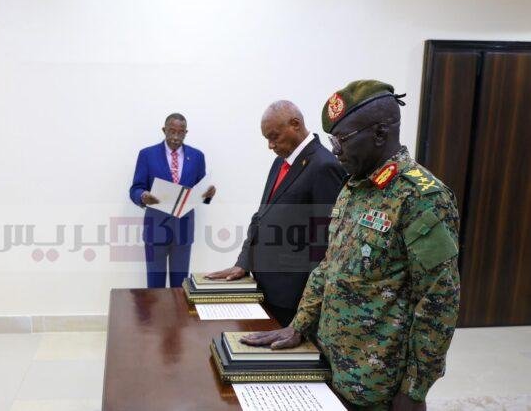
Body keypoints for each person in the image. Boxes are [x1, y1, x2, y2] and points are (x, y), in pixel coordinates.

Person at [242, 80, 460, 410]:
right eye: (333, 140)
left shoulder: (421, 197)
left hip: (375, 383)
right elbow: (328, 266)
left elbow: (438, 301)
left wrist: (414, 390)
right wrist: (298, 326)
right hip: (329, 363)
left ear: (380, 133)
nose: (335, 150)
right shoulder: (353, 187)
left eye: (342, 140)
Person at [205, 101, 345, 326]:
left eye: (274, 136)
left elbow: (326, 241)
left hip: (293, 297)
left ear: (295, 124)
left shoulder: (324, 166)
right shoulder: (280, 162)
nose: (270, 145)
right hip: (265, 287)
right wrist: (244, 262)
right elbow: (260, 217)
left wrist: (310, 304)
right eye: (267, 139)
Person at [129, 113, 216, 288]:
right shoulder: (147, 155)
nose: (176, 137)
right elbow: (135, 189)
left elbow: (200, 189)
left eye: (180, 132)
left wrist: (208, 194)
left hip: (183, 231)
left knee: (180, 288)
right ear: (164, 130)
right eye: (172, 131)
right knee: (155, 289)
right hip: (155, 230)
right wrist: (143, 196)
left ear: (186, 132)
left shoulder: (197, 156)